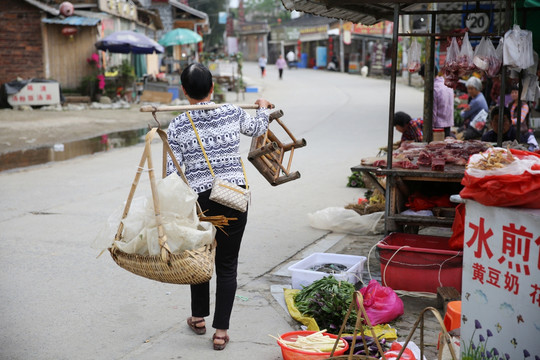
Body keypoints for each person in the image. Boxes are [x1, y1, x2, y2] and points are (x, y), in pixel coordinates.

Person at [166, 63, 272, 351]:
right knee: (227, 265)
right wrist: (262, 105)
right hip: (233, 198)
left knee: (198, 257)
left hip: (200, 203)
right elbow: (259, 126)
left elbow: (170, 175)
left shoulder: (177, 124)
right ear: (213, 88)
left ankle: (198, 317)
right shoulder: (232, 111)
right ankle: (221, 332)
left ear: (184, 91)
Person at [419, 65, 455, 138]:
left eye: (423, 77)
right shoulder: (447, 85)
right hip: (448, 124)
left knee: (437, 148)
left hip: (437, 127)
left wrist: (428, 129)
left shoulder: (434, 89)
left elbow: (432, 112)